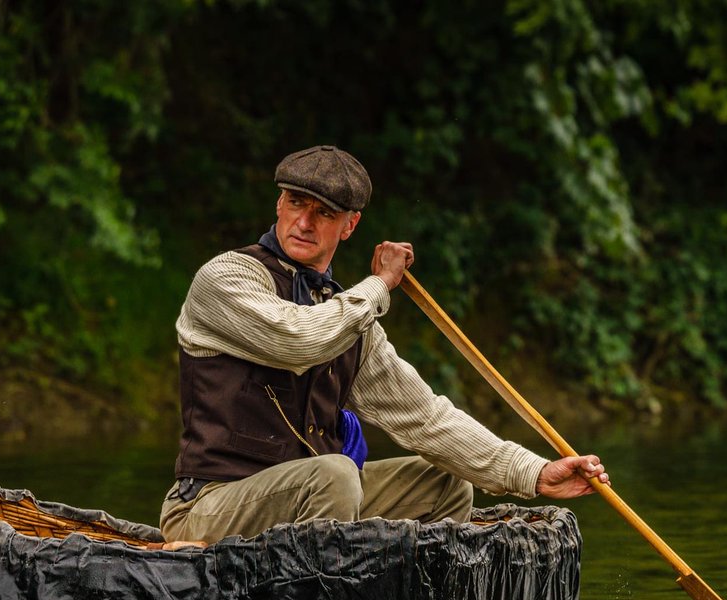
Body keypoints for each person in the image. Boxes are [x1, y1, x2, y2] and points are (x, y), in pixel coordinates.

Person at [159, 145, 609, 545]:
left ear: (350, 225)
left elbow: (426, 419)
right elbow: (298, 339)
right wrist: (380, 285)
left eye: (324, 213)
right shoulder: (226, 278)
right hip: (207, 508)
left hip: (311, 494)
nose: (303, 222)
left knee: (444, 483)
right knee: (335, 474)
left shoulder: (347, 318)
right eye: (295, 203)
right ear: (279, 203)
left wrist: (533, 472)